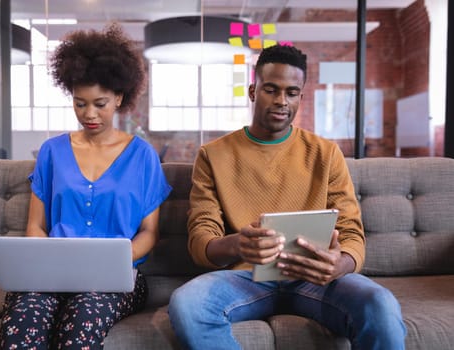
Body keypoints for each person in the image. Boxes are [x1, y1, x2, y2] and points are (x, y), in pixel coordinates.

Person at [168, 44, 406, 349]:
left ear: (301, 97)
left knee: (380, 304)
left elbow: (352, 234)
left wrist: (340, 264)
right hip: (246, 279)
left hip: (315, 279)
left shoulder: (326, 153)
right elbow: (201, 240)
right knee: (188, 304)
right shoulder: (213, 155)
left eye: (292, 92)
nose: (282, 101)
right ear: (253, 91)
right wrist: (237, 243)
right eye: (271, 89)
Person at [0, 24, 172, 349]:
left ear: (119, 97)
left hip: (117, 278)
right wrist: (50, 264)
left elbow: (151, 231)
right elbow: (36, 226)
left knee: (79, 326)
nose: (89, 114)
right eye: (80, 103)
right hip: (52, 272)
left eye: (100, 103)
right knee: (21, 326)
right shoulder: (52, 152)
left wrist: (114, 263)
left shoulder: (142, 156)